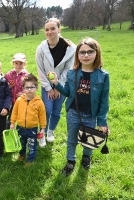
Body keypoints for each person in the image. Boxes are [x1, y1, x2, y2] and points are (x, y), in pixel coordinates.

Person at [49, 37, 110, 176]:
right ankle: (71, 161)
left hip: (91, 115)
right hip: (73, 113)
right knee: (71, 139)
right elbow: (68, 93)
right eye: (82, 52)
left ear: (97, 53)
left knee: (88, 141)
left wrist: (102, 122)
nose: (86, 55)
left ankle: (86, 157)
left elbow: (104, 101)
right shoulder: (72, 73)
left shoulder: (103, 76)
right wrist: (57, 83)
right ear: (77, 55)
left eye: (90, 52)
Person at [36, 18, 76, 147]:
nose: (49, 32)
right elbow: (40, 69)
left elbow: (68, 69)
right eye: (47, 29)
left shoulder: (70, 48)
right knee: (46, 110)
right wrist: (48, 87)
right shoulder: (41, 48)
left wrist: (58, 86)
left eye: (53, 28)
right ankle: (42, 133)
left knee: (57, 111)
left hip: (63, 86)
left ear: (59, 29)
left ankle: (51, 132)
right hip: (46, 85)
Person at [10, 73, 46, 167]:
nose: (29, 89)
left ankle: (30, 160)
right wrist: (12, 122)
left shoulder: (39, 102)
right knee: (22, 143)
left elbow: (42, 116)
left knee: (32, 145)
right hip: (20, 127)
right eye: (27, 87)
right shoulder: (19, 100)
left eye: (32, 87)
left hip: (32, 129)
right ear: (23, 88)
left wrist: (42, 128)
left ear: (37, 87)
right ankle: (22, 155)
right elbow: (14, 112)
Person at [4, 53, 29, 129]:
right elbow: (3, 86)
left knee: (22, 117)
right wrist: (8, 86)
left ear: (24, 63)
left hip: (22, 101)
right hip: (10, 101)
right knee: (11, 117)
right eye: (16, 63)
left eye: (21, 63)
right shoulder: (8, 75)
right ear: (13, 63)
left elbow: (30, 88)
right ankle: (8, 132)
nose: (18, 65)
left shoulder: (27, 75)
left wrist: (23, 93)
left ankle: (21, 132)